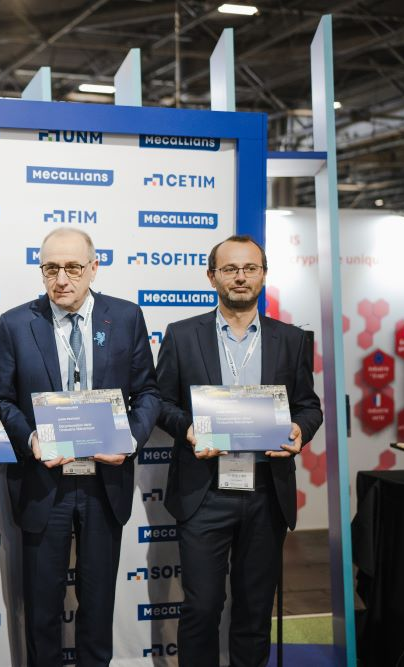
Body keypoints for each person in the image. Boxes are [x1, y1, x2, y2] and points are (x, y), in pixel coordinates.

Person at [0, 228, 161, 667]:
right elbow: (1, 399)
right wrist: (31, 439)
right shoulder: (15, 323)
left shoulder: (125, 317)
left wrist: (129, 440)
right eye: (51, 268)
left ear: (94, 267)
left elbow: (148, 392)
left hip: (105, 480)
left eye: (72, 267)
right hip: (43, 481)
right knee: (41, 605)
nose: (61, 279)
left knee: (98, 601)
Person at [156, 234, 323, 667]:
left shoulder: (292, 339)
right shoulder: (182, 335)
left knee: (254, 611)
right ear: (212, 277)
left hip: (266, 490)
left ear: (263, 275)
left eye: (250, 268)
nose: (241, 277)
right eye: (230, 269)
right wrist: (189, 431)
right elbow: (161, 403)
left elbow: (309, 406)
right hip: (204, 491)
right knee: (201, 608)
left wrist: (300, 430)